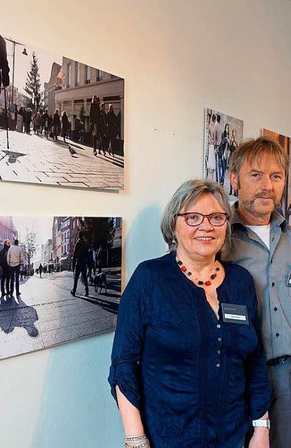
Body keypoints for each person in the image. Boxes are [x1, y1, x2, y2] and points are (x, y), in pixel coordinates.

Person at [109, 179, 270, 448]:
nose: (206, 226)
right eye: (193, 217)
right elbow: (123, 364)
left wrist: (261, 428)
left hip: (232, 436)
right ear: (174, 224)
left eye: (216, 217)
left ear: (226, 226)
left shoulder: (241, 282)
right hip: (167, 437)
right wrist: (136, 439)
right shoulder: (149, 278)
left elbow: (254, 360)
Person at [226, 137, 291, 448]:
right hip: (233, 375)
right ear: (234, 179)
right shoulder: (218, 240)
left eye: (276, 176)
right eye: (255, 174)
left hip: (284, 377)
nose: (267, 186)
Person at [70, 233, 89, 297]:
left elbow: (75, 255)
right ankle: (87, 291)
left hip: (78, 263)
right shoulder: (85, 244)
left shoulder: (78, 243)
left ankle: (74, 291)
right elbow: (87, 254)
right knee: (85, 277)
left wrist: (73, 265)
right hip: (84, 262)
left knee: (76, 278)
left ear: (79, 236)